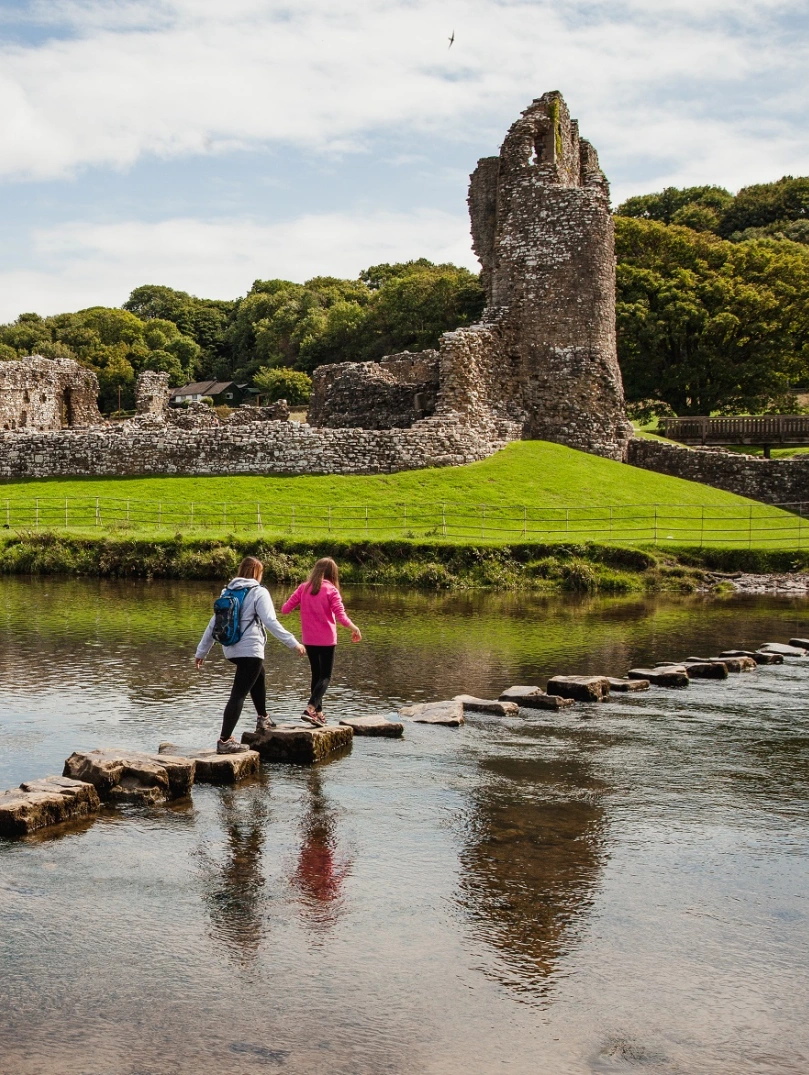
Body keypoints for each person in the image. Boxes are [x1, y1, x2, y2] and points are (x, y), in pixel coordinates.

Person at [196, 555, 305, 754]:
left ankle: (263, 718)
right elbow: (271, 621)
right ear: (257, 573)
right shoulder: (258, 592)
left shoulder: (227, 591)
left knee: (258, 674)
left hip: (231, 649)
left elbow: (213, 624)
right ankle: (224, 741)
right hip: (251, 649)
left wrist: (201, 651)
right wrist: (293, 643)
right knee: (238, 693)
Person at [281, 557, 361, 727]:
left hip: (309, 640)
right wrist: (355, 628)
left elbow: (285, 609)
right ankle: (310, 709)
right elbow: (341, 616)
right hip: (326, 640)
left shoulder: (303, 588)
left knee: (316, 676)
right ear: (333, 574)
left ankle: (318, 713)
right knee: (325, 676)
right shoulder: (331, 590)